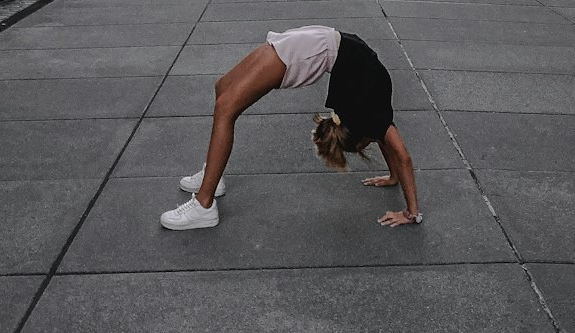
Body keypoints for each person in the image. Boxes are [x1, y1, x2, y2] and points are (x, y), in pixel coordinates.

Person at [160, 26, 420, 231]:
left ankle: (204, 204)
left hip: (312, 44)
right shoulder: (372, 116)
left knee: (226, 106)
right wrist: (411, 211)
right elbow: (402, 156)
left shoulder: (371, 115)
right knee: (223, 88)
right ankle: (211, 181)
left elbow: (388, 142)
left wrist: (395, 181)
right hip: (310, 47)